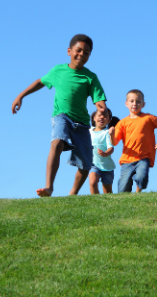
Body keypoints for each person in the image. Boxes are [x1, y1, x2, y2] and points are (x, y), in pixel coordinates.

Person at [11, 34, 107, 197]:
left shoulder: (90, 77)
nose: (81, 55)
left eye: (86, 52)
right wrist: (21, 95)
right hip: (62, 116)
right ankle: (49, 187)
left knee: (85, 166)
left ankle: (73, 193)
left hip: (81, 124)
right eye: (78, 50)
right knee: (56, 143)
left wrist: (101, 107)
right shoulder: (58, 71)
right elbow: (40, 82)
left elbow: (99, 99)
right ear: (69, 51)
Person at [111, 89, 157, 193]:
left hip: (143, 157)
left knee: (142, 178)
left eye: (138, 101)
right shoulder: (122, 123)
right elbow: (114, 142)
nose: (135, 104)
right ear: (126, 104)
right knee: (123, 190)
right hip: (127, 160)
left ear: (143, 104)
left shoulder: (148, 118)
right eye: (132, 101)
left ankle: (138, 192)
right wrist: (111, 134)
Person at [88, 108, 120, 194]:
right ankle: (95, 202)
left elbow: (111, 148)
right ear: (94, 118)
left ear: (109, 120)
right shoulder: (89, 131)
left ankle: (108, 205)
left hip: (107, 167)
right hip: (93, 164)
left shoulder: (106, 133)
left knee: (107, 191)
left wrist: (105, 153)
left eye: (105, 116)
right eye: (99, 115)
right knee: (93, 182)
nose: (102, 117)